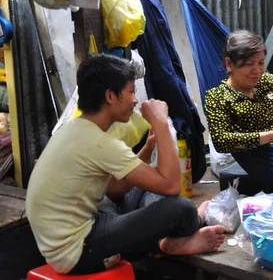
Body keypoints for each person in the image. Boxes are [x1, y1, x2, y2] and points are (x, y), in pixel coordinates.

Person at [26, 55, 226, 275]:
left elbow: (113, 188)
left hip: (71, 236)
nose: (135, 100)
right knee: (181, 208)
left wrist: (148, 149)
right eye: (131, 91)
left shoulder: (76, 129)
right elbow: (171, 186)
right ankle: (189, 228)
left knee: (133, 191)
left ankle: (164, 243)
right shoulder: (99, 143)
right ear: (110, 96)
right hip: (79, 254)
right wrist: (160, 122)